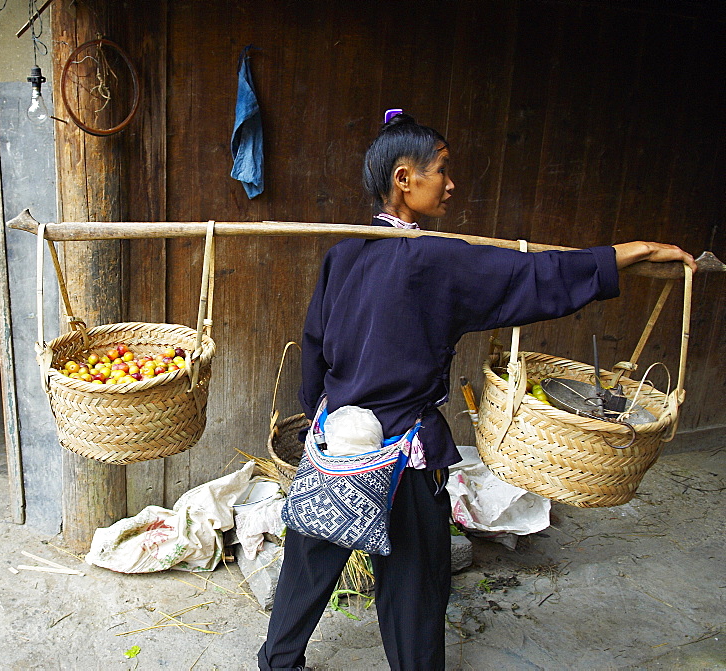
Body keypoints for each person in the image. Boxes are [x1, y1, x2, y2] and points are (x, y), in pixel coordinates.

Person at [258, 112, 696, 670]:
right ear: (403, 179)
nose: (451, 183)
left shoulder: (342, 254)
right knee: (415, 580)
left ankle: (278, 661)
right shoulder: (438, 259)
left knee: (310, 554)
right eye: (442, 169)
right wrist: (619, 255)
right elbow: (533, 277)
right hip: (404, 453)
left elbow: (314, 346)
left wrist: (323, 418)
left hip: (336, 438)